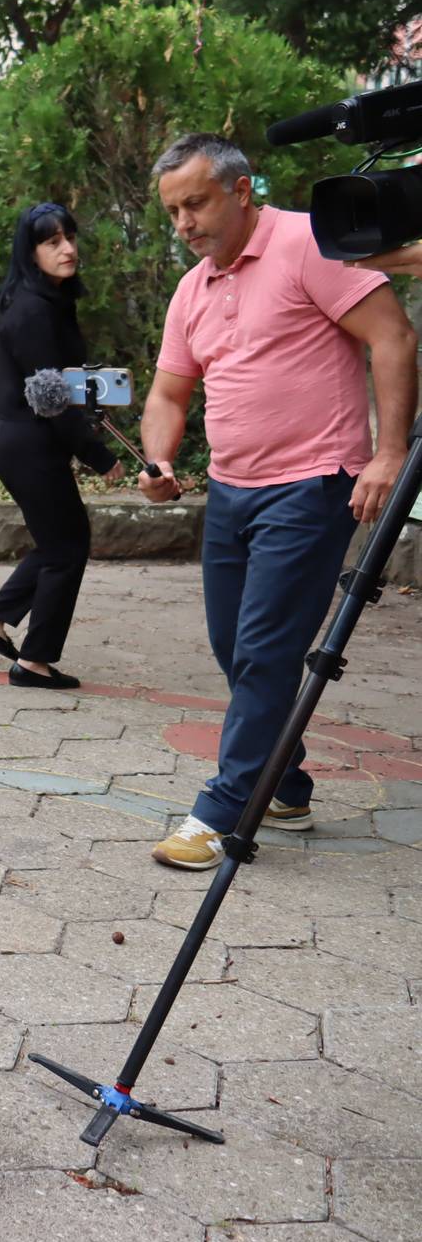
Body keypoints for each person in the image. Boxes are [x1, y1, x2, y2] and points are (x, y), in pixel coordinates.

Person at [137, 133, 415, 871]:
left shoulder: (305, 245)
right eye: (173, 211)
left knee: (265, 651)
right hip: (231, 489)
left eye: (194, 203)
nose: (184, 224)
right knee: (234, 647)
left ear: (240, 189)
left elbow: (391, 338)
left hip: (312, 482)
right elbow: (169, 391)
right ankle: (285, 782)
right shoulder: (194, 288)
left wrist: (389, 454)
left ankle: (223, 811)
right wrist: (159, 456)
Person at [0, 202, 126, 690]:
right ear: (31, 252)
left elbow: (62, 384)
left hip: (27, 442)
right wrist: (100, 457)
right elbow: (49, 399)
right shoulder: (33, 310)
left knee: (60, 542)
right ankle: (34, 661)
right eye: (53, 241)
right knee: (67, 547)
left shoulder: (46, 301)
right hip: (27, 443)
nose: (68, 249)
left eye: (70, 237)